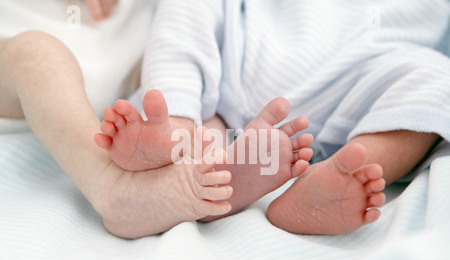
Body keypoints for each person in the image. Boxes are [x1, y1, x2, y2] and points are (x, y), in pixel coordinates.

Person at [96, 0, 450, 235]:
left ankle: (331, 178)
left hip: (363, 74)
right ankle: (179, 127)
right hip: (241, 44)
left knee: (438, 82)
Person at [0, 0, 313, 239]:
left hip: (134, 60)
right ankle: (113, 188)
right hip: (16, 48)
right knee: (37, 56)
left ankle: (209, 176)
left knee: (193, 97)